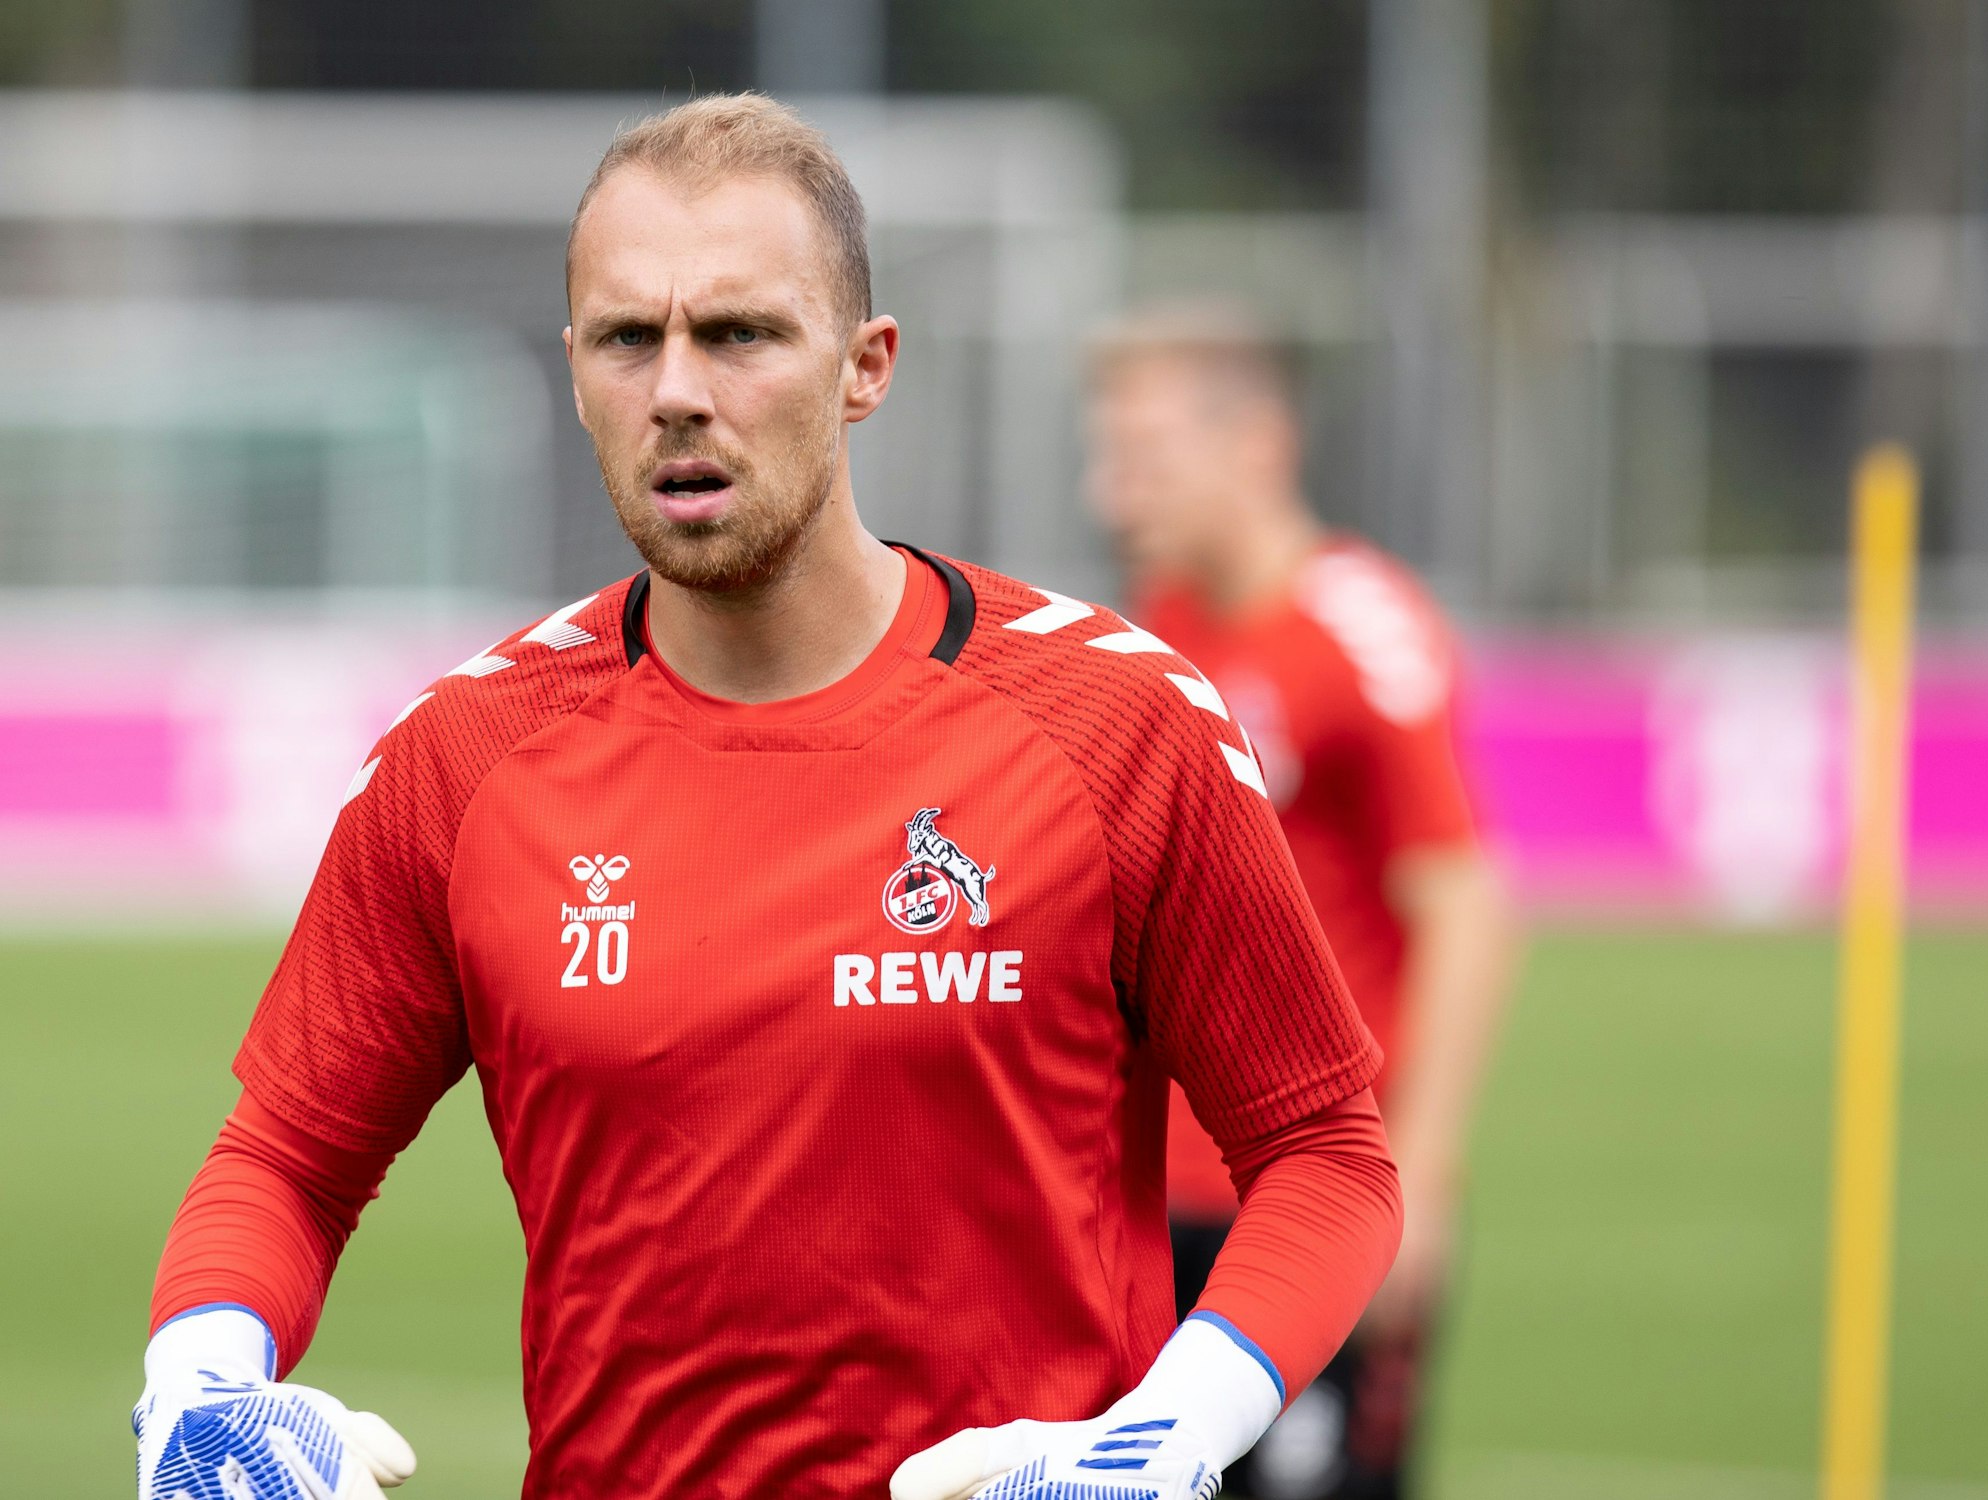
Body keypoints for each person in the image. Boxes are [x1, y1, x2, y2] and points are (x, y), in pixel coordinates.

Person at [133, 97, 1403, 1500]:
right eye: (628, 337)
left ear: (866, 368)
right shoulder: (463, 759)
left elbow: (1327, 1157)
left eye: (738, 334)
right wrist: (199, 1383)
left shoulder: (1117, 727)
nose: (677, 388)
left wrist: (1168, 1438)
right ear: (574, 369)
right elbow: (286, 1160)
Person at [1087, 308, 1516, 1500]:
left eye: (1145, 455)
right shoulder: (1150, 624)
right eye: (1107, 455)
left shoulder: (1360, 628)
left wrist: (1414, 1186)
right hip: (1143, 1202)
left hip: (1304, 1198)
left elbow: (1469, 910)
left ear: (1256, 444)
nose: (1112, 491)